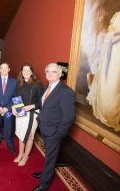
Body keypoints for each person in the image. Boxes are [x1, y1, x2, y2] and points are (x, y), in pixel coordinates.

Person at [32, 63, 76, 191]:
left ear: (60, 74)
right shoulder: (47, 87)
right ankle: (46, 172)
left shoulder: (66, 92)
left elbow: (69, 116)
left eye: (54, 72)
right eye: (48, 72)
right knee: (49, 155)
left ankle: (43, 185)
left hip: (54, 132)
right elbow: (45, 106)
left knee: (51, 157)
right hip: (44, 127)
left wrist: (59, 133)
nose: (50, 74)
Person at [12, 64, 43, 166]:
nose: (26, 72)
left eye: (28, 70)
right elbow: (15, 98)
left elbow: (42, 102)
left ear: (31, 72)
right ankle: (20, 154)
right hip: (21, 113)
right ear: (21, 72)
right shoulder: (18, 83)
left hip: (32, 114)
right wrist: (13, 107)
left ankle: (26, 156)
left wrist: (31, 106)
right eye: (24, 70)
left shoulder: (37, 84)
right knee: (21, 135)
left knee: (29, 136)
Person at [0, 63, 17, 154]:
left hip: (8, 110)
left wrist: (7, 108)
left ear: (9, 69)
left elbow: (16, 97)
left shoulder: (14, 82)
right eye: (2, 68)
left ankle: (10, 144)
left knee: (9, 128)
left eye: (6, 68)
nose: (4, 70)